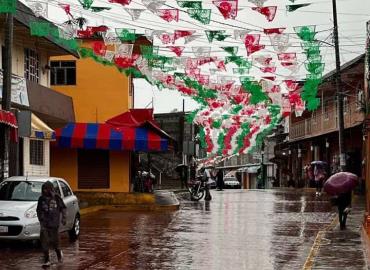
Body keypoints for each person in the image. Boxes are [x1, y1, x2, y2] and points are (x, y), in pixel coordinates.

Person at [37, 181, 67, 267]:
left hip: (54, 225)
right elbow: (38, 210)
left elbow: (63, 208)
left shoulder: (57, 198)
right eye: (43, 189)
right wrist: (41, 220)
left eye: (46, 189)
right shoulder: (41, 199)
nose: (45, 190)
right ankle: (47, 260)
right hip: (44, 225)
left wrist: (64, 218)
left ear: (50, 189)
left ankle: (59, 257)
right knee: (44, 243)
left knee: (56, 244)